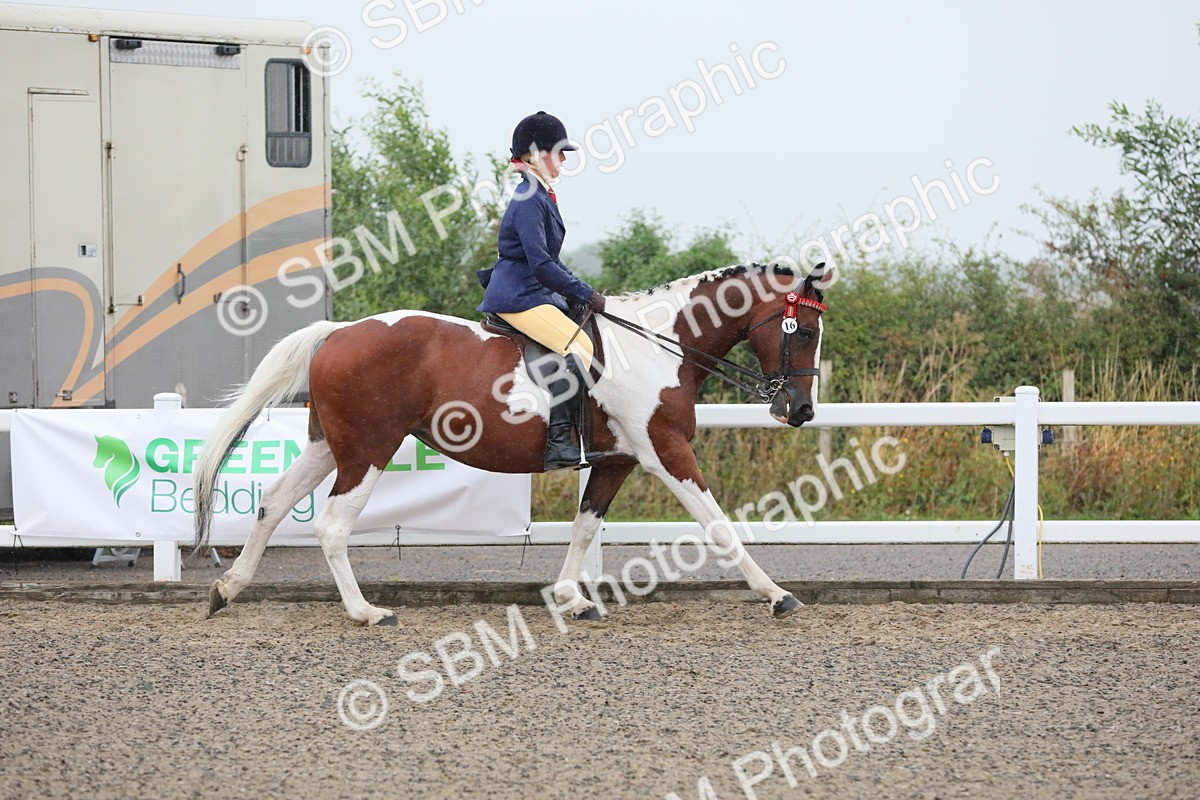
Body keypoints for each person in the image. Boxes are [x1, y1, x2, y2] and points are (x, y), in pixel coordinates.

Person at [476, 111, 607, 470]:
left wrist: (581, 292)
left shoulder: (541, 195)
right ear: (536, 155)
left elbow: (551, 261)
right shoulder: (529, 198)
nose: (564, 160)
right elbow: (542, 265)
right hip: (519, 295)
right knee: (579, 347)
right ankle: (560, 442)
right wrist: (585, 293)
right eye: (559, 152)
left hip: (532, 291)